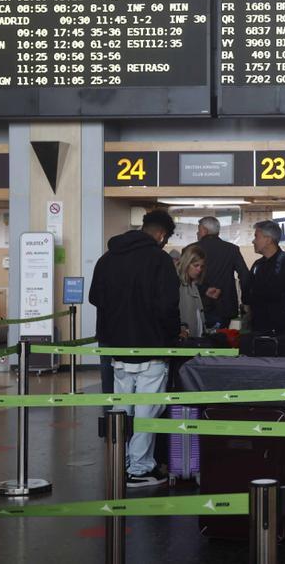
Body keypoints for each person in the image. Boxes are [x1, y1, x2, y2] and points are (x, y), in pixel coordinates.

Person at [89, 209, 180, 488]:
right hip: (151, 348)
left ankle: (121, 462)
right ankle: (140, 469)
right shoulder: (159, 260)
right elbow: (167, 307)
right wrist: (173, 334)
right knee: (146, 410)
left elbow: (95, 297)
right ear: (162, 235)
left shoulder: (107, 259)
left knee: (122, 409)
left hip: (117, 349)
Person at [245, 220, 285, 335]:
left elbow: (275, 291)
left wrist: (254, 293)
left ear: (268, 239)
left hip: (279, 329)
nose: (253, 241)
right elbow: (248, 288)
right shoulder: (257, 265)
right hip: (258, 326)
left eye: (256, 236)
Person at [194, 216, 250, 329]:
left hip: (199, 303)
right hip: (225, 306)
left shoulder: (191, 249)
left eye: (199, 229)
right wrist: (246, 301)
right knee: (222, 339)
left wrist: (203, 290)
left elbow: (185, 278)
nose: (197, 232)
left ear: (204, 230)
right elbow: (244, 275)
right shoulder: (232, 249)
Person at [176, 244, 206, 338]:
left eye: (201, 266)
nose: (199, 270)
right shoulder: (176, 284)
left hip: (195, 338)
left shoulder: (193, 284)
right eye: (196, 265)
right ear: (186, 263)